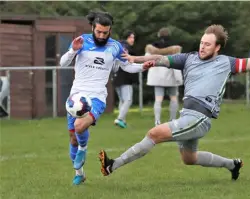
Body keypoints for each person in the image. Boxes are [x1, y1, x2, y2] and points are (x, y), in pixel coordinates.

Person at [98, 24, 250, 180]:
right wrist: (134, 58)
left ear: (217, 47)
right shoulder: (189, 58)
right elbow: (160, 58)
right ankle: (233, 164)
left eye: (208, 44)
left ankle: (112, 165)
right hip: (188, 115)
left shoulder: (226, 63)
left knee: (154, 133)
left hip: (200, 118)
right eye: (202, 42)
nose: (202, 47)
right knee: (189, 159)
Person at [60, 11, 154, 185]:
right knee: (72, 136)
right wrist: (73, 50)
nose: (102, 36)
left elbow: (127, 66)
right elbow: (62, 63)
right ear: (93, 28)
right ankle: (79, 173)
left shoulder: (116, 47)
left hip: (97, 97)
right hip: (76, 97)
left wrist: (142, 67)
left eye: (105, 32)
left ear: (110, 30)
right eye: (99, 32)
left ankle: (83, 148)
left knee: (79, 126)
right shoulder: (82, 41)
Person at [146, 28, 183, 126]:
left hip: (157, 77)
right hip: (171, 77)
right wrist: (179, 78)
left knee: (158, 99)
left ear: (159, 35)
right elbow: (177, 63)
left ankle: (157, 121)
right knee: (174, 98)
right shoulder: (174, 48)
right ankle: (172, 120)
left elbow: (146, 60)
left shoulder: (152, 48)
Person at [112, 30, 138, 128]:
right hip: (124, 77)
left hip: (116, 76)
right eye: (131, 37)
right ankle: (119, 119)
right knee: (128, 100)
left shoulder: (118, 46)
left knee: (122, 100)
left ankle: (122, 121)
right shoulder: (125, 48)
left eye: (133, 37)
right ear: (126, 37)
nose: (133, 39)